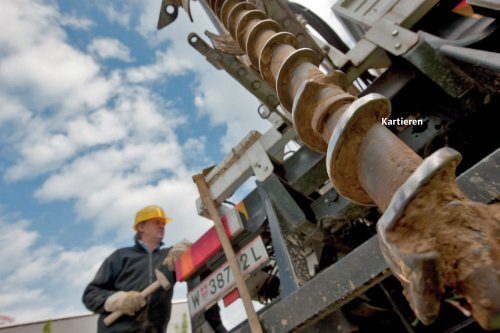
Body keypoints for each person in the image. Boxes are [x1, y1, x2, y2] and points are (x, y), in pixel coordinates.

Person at [82, 205, 188, 333]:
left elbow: (196, 262)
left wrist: (188, 252)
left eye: (163, 223)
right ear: (141, 227)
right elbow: (90, 295)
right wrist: (117, 300)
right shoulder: (121, 256)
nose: (162, 226)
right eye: (156, 222)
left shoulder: (169, 257)